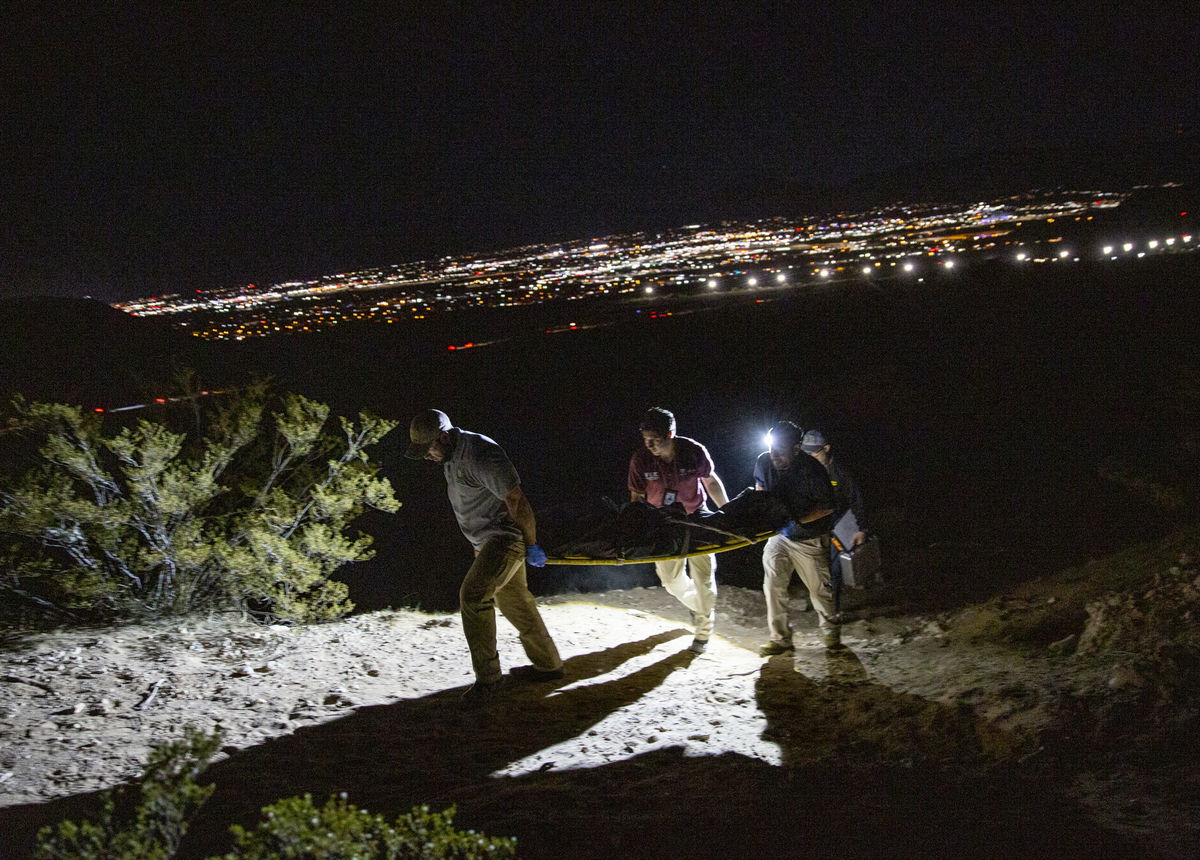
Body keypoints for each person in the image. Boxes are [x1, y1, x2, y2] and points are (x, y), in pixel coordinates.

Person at [405, 408, 563, 701]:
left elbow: (517, 499)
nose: (426, 456)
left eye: (427, 448)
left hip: (505, 538)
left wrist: (531, 544)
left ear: (443, 436)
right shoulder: (450, 456)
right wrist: (478, 546)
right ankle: (549, 666)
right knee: (515, 602)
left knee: (473, 596)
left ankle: (489, 680)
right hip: (488, 543)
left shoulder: (480, 454)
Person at [627, 407, 730, 653]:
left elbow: (711, 482)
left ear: (670, 434)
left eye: (656, 439)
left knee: (703, 579)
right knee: (670, 582)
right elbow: (636, 497)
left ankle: (703, 632)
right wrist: (638, 527)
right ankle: (699, 607)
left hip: (696, 517)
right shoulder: (640, 459)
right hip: (662, 523)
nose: (649, 444)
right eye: (645, 439)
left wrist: (729, 513)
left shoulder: (693, 451)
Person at [753, 421, 840, 654]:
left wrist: (797, 519)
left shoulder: (812, 470)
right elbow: (759, 490)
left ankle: (831, 635)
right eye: (772, 446)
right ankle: (780, 638)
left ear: (797, 447)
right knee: (772, 584)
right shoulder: (763, 462)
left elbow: (828, 507)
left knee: (819, 590)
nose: (774, 453)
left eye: (781, 447)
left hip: (809, 538)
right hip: (778, 535)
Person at [801, 428, 869, 612]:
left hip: (839, 528)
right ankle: (818, 603)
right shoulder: (803, 471)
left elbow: (856, 499)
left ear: (826, 448)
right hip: (814, 529)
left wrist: (861, 528)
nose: (810, 456)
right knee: (815, 570)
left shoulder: (840, 472)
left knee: (834, 571)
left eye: (814, 451)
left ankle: (833, 611)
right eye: (806, 451)